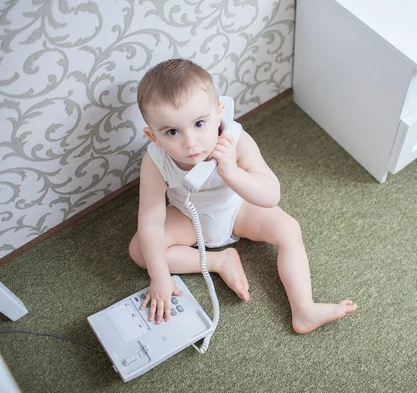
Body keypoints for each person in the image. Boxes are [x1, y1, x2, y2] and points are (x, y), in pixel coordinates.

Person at [128, 58, 357, 333]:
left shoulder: (236, 139)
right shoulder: (155, 162)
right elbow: (151, 221)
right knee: (140, 249)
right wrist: (160, 276)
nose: (191, 143)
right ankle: (218, 261)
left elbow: (271, 194)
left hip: (238, 208)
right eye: (173, 132)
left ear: (219, 113)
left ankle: (304, 308)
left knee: (288, 229)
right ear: (154, 137)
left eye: (200, 123)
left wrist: (231, 172)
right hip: (188, 216)